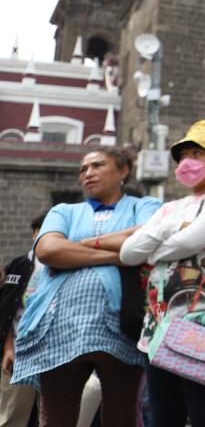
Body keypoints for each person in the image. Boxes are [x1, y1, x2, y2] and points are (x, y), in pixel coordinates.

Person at [10, 148, 161, 427]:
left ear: (123, 171)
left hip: (122, 325)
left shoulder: (145, 206)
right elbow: (48, 250)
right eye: (83, 169)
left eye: (98, 165)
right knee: (56, 417)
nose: (88, 173)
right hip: (59, 327)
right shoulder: (64, 211)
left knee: (120, 414)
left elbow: (148, 239)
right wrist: (119, 255)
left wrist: (77, 247)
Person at [120, 120, 205, 427]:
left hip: (203, 320)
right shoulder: (171, 208)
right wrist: (170, 228)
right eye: (185, 153)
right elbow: (127, 253)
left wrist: (153, 250)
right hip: (158, 325)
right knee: (164, 415)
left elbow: (190, 241)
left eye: (198, 152)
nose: (188, 160)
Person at [0, 212, 46, 427]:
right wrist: (8, 348)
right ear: (33, 234)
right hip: (18, 354)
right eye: (40, 230)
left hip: (56, 356)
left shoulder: (69, 266)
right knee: (12, 415)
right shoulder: (18, 265)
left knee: (52, 416)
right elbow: (5, 309)